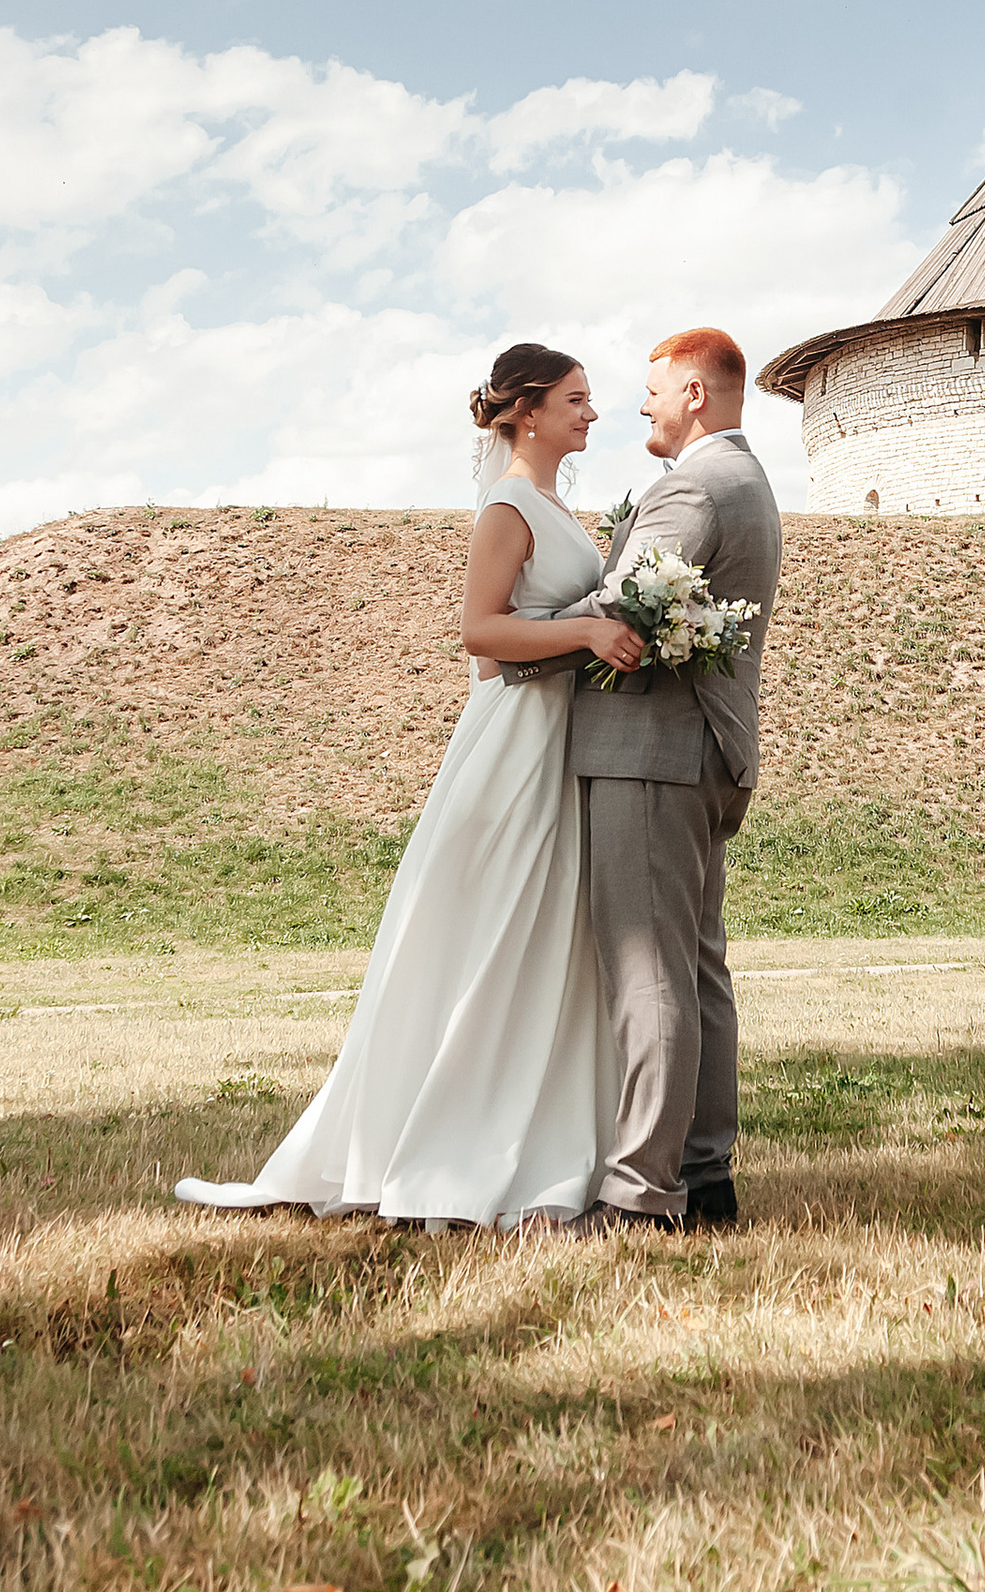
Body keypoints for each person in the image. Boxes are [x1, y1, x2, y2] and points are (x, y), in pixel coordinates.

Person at [172, 345, 645, 1229]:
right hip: (512, 746)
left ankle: (536, 1134)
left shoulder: (554, 503)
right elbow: (479, 630)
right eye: (578, 400)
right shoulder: (508, 505)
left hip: (558, 741)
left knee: (543, 941)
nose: (592, 414)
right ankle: (443, 1144)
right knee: (491, 932)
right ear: (529, 412)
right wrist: (587, 630)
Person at [507, 328, 782, 1237]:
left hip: (652, 751)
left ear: (696, 395)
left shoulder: (697, 485)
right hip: (702, 751)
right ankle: (704, 1178)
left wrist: (525, 633)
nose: (641, 407)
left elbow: (626, 600)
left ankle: (638, 1195)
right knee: (696, 968)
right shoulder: (748, 480)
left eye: (655, 390)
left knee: (646, 972)